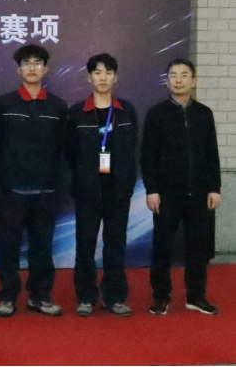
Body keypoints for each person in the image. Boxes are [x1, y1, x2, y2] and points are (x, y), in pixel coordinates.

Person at [0, 44, 67, 317]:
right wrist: (4, 178)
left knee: (42, 247)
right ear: (18, 70)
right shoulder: (4, 104)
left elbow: (63, 147)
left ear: (45, 69)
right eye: (27, 63)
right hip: (13, 191)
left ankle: (40, 296)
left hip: (46, 191)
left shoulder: (57, 106)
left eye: (37, 63)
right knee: (9, 246)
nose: (32, 68)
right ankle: (7, 297)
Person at [141, 58, 221, 315]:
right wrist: (152, 189)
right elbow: (148, 156)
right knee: (162, 247)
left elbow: (212, 154)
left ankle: (196, 296)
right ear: (167, 81)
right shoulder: (156, 114)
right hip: (166, 194)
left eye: (184, 75)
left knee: (198, 247)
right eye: (173, 75)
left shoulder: (204, 113)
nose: (178, 80)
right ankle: (161, 297)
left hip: (199, 192)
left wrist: (215, 187)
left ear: (193, 81)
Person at [67, 53, 137, 317]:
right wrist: (83, 176)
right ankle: (86, 297)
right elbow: (70, 152)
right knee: (85, 244)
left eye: (108, 72)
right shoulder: (77, 112)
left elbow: (132, 149)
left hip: (117, 190)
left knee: (115, 243)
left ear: (115, 77)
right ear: (89, 77)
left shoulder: (126, 111)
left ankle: (114, 297)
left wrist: (125, 182)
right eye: (97, 73)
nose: (103, 78)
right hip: (87, 190)